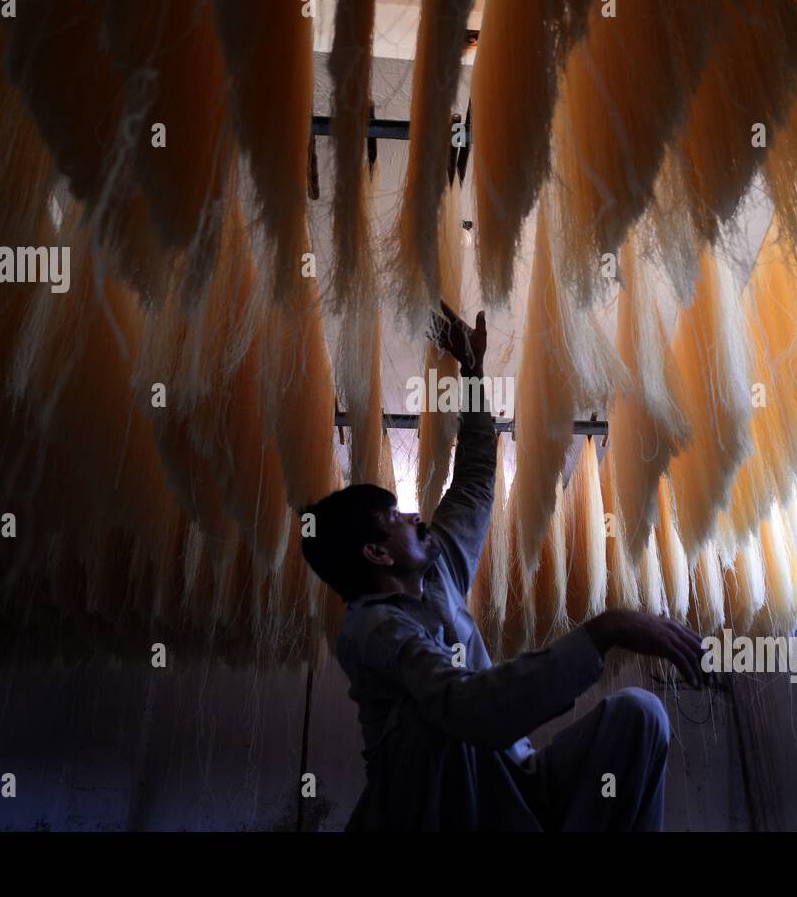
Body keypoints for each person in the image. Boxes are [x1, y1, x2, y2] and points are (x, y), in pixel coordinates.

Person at [300, 301, 708, 830]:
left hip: (519, 792)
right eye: (393, 517)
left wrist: (472, 371)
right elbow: (469, 709)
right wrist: (606, 630)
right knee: (433, 724)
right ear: (377, 553)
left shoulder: (437, 568)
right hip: (446, 815)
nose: (413, 515)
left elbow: (472, 480)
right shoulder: (371, 630)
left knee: (640, 716)